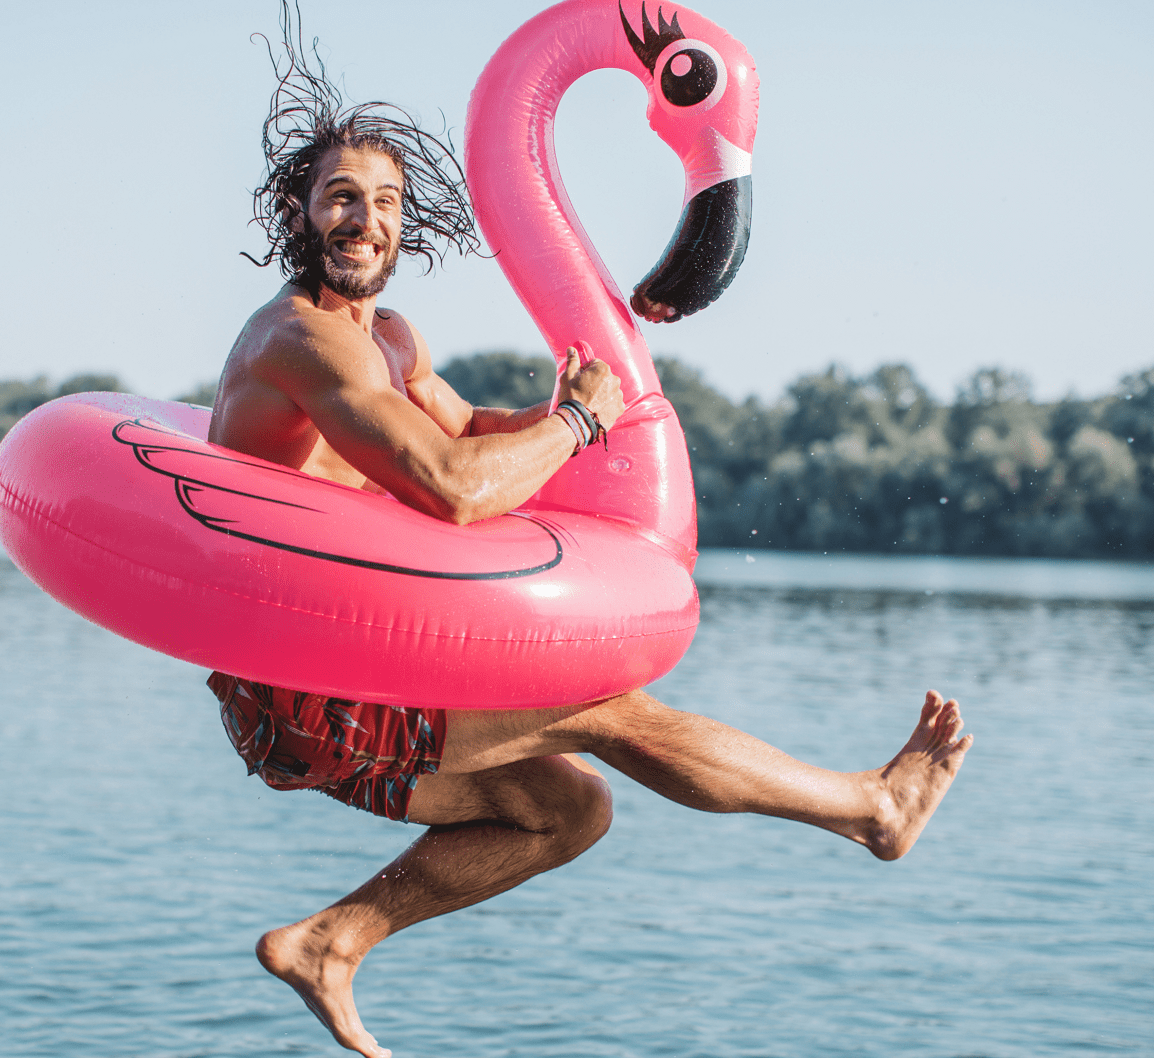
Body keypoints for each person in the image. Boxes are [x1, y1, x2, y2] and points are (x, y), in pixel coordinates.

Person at [205, 10, 972, 1057]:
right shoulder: (299, 340)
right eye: (341, 196)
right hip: (295, 686)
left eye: (384, 201)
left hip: (358, 664)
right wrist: (576, 424)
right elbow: (448, 485)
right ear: (300, 210)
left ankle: (329, 942)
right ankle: (869, 807)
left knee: (567, 809)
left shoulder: (384, 335)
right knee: (608, 709)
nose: (364, 219)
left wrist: (557, 415)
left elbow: (464, 428)